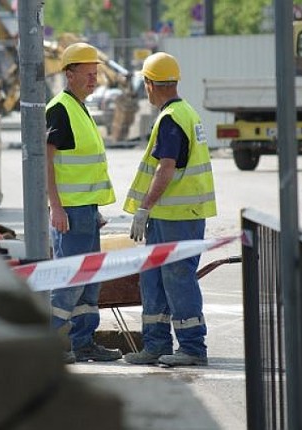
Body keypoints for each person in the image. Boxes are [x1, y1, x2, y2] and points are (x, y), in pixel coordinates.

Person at [122, 52, 217, 367]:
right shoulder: (184, 112)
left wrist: (143, 208)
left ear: (150, 84)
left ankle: (192, 347)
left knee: (177, 280)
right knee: (155, 281)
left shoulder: (171, 118)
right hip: (175, 218)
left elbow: (166, 168)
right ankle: (156, 344)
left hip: (175, 218)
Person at [45, 42, 122, 364]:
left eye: (96, 74)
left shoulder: (79, 107)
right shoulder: (60, 109)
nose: (94, 80)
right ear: (69, 74)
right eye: (88, 74)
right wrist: (57, 208)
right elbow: (46, 162)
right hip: (70, 213)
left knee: (89, 283)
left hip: (85, 211)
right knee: (70, 282)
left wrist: (94, 210)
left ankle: (83, 342)